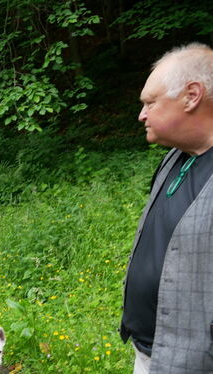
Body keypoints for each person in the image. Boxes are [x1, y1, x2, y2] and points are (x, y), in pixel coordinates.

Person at [120, 42, 213, 373]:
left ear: (192, 96)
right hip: (148, 352)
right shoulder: (174, 157)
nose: (142, 114)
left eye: (150, 103)